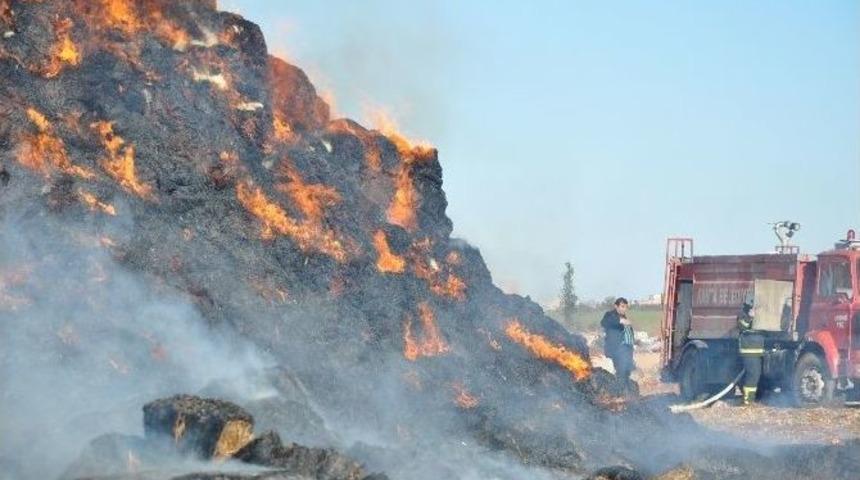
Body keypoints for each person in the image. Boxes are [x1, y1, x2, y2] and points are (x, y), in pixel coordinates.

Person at [600, 297, 636, 389]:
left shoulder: (624, 317)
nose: (624, 309)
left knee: (626, 372)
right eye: (622, 306)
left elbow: (628, 336)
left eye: (625, 307)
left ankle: (625, 392)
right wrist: (619, 321)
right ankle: (618, 393)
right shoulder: (610, 315)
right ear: (616, 306)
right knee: (621, 372)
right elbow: (604, 322)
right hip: (616, 349)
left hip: (626, 350)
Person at [737, 297, 764, 405]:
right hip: (749, 350)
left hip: (758, 349)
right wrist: (749, 317)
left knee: (756, 375)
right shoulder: (743, 313)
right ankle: (748, 401)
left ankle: (751, 398)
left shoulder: (759, 314)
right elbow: (741, 326)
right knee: (753, 375)